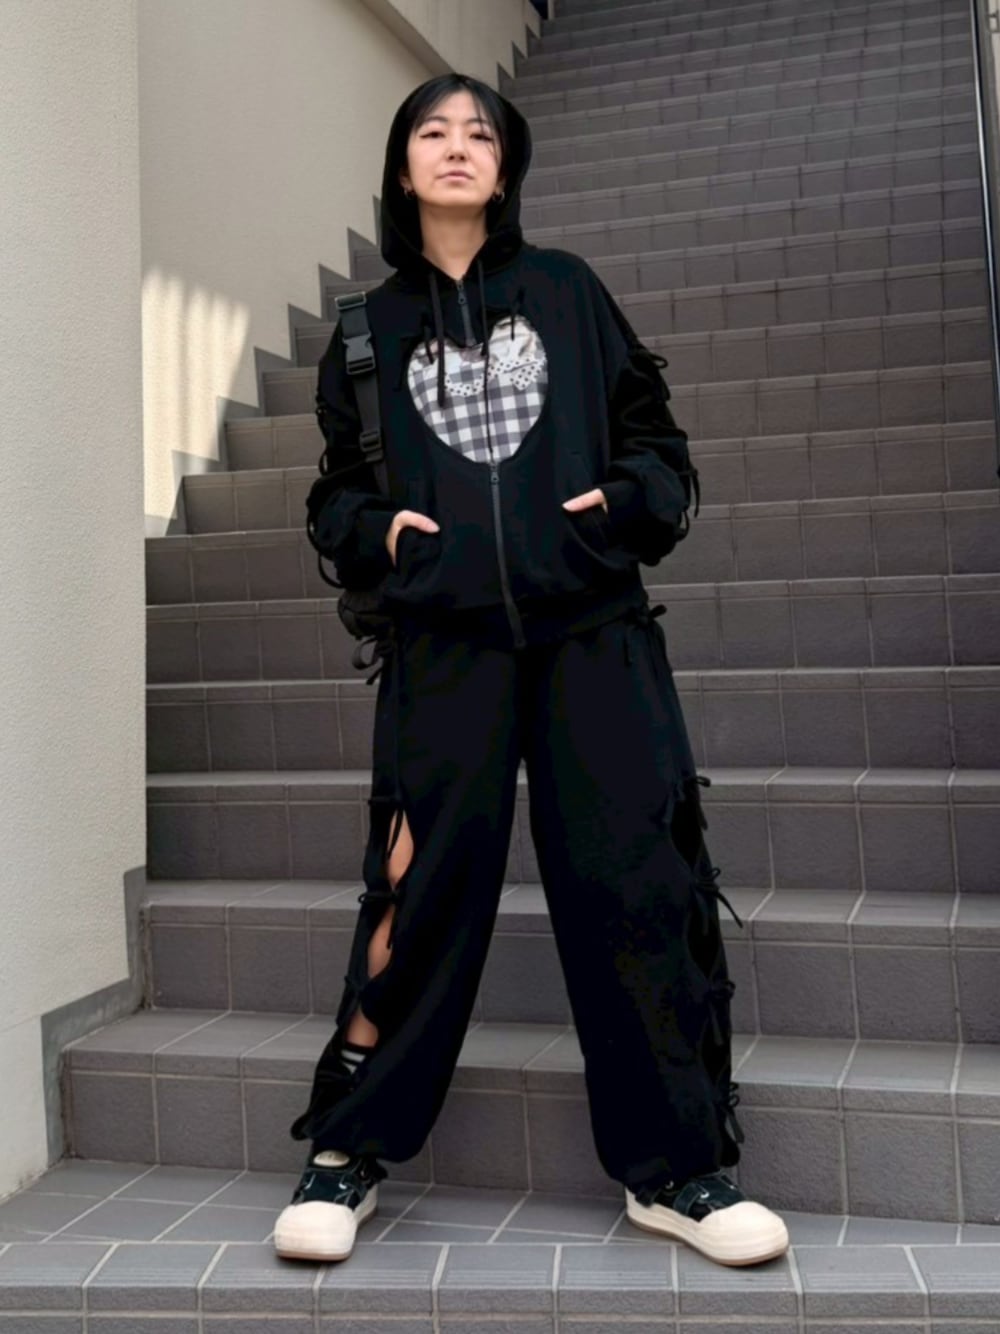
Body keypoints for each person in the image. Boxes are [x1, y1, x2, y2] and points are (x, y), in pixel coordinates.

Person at [273, 72, 789, 1270]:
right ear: (402, 164)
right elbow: (335, 492)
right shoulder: (366, 330)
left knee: (635, 880)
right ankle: (347, 1147)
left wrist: (618, 509)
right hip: (443, 646)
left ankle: (676, 1166)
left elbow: (657, 444)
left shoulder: (565, 291)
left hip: (589, 632)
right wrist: (380, 534)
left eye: (480, 132)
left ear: (506, 167)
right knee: (415, 891)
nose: (457, 146)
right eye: (432, 131)